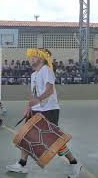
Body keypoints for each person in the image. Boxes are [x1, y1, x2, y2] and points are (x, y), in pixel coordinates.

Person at [6, 48, 82, 178]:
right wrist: (29, 106)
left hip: (49, 109)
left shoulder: (46, 70)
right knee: (26, 136)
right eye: (30, 57)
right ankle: (22, 164)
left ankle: (74, 163)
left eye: (33, 57)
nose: (30, 59)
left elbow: (49, 90)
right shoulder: (33, 75)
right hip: (36, 109)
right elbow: (34, 94)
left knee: (54, 140)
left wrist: (37, 100)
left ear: (41, 59)